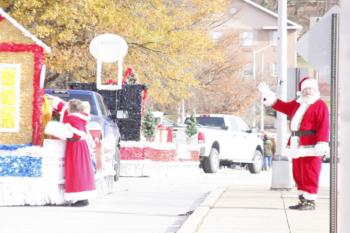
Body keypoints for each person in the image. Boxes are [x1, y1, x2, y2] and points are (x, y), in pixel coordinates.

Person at [258, 77, 330, 210]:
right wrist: (268, 93)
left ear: (315, 90)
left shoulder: (320, 105)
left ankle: (310, 201)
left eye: (311, 88)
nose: (308, 91)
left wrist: (322, 143)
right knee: (298, 172)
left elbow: (324, 126)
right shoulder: (297, 104)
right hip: (296, 144)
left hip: (312, 145)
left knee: (310, 172)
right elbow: (282, 106)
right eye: (305, 89)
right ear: (301, 91)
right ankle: (303, 199)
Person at [63, 99, 96, 206]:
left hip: (75, 146)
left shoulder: (72, 118)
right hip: (81, 146)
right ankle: (82, 196)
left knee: (76, 170)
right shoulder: (81, 117)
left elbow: (76, 133)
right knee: (82, 170)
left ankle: (80, 197)